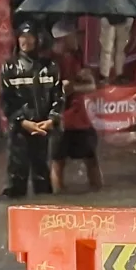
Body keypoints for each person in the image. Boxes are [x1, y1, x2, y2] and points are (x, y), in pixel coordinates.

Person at [1, 23, 64, 198]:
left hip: (44, 130)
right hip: (19, 131)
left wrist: (52, 119)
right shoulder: (10, 67)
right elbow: (6, 101)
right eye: (22, 36)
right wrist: (23, 121)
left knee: (43, 178)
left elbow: (58, 97)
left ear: (38, 40)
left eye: (29, 37)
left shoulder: (50, 66)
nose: (25, 41)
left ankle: (45, 216)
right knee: (16, 179)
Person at [51, 24, 103, 193]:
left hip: (80, 118)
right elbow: (62, 89)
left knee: (90, 158)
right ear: (64, 39)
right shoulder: (52, 61)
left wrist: (77, 84)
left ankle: (97, 193)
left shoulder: (76, 57)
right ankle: (59, 198)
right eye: (74, 35)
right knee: (58, 161)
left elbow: (90, 86)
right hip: (62, 118)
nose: (78, 39)